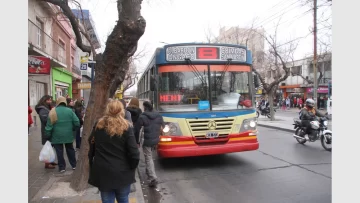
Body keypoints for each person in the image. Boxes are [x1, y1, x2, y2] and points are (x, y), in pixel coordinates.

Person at [88, 100, 140, 203]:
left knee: (107, 200)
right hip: (123, 172)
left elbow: (91, 142)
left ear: (107, 110)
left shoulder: (98, 125)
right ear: (121, 111)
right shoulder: (127, 127)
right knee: (123, 199)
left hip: (103, 171)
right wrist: (131, 167)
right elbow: (135, 153)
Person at [45, 96, 80, 172]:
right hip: (68, 134)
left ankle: (62, 167)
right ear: (65, 102)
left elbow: (49, 125)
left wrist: (47, 135)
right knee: (70, 149)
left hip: (56, 135)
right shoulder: (70, 111)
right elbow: (77, 122)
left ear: (57, 102)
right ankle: (74, 165)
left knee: (59, 151)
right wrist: (73, 129)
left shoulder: (52, 112)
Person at [134, 101, 164, 187]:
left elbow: (137, 130)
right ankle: (149, 173)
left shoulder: (142, 117)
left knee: (148, 158)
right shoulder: (158, 115)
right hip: (156, 139)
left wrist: (137, 142)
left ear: (145, 107)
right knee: (150, 157)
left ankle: (152, 177)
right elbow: (163, 126)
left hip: (147, 140)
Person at [35, 95, 56, 169]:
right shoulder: (42, 109)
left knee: (50, 146)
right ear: (45, 100)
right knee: (47, 146)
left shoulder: (46, 108)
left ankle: (50, 160)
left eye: (50, 100)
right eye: (49, 100)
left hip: (48, 129)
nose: (50, 101)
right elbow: (45, 119)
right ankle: (47, 163)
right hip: (46, 130)